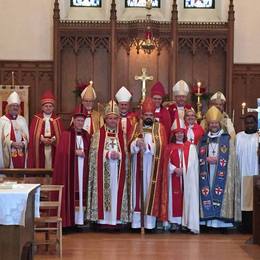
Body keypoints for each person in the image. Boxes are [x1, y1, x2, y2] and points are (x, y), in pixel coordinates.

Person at [86, 100, 131, 226]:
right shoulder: (98, 135)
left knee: (116, 193)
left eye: (115, 118)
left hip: (118, 170)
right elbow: (93, 155)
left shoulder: (124, 136)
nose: (112, 121)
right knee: (104, 192)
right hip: (104, 170)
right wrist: (108, 154)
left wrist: (120, 155)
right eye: (110, 118)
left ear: (118, 120)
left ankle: (117, 220)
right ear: (105, 119)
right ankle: (103, 220)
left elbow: (128, 154)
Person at [198, 106, 241, 229]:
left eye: (216, 123)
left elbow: (232, 158)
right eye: (211, 123)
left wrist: (219, 161)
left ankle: (221, 224)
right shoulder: (203, 140)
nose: (214, 125)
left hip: (222, 173)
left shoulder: (227, 139)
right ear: (208, 124)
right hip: (206, 171)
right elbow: (198, 156)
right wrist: (205, 159)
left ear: (220, 123)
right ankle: (207, 222)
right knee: (208, 191)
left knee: (218, 193)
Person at [130, 96, 167, 230]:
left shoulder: (160, 128)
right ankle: (137, 223)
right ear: (142, 114)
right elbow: (129, 145)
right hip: (137, 167)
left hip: (153, 167)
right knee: (137, 194)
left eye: (151, 114)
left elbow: (162, 146)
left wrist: (149, 148)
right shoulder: (136, 126)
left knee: (150, 194)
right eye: (146, 114)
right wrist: (136, 143)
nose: (148, 117)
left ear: (154, 115)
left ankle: (149, 224)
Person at [52, 106, 90, 227]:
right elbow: (61, 153)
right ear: (73, 120)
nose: (80, 123)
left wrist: (86, 152)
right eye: (78, 120)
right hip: (70, 170)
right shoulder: (66, 134)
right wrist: (74, 152)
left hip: (83, 168)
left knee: (81, 192)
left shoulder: (86, 135)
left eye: (82, 121)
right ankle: (69, 221)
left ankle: (80, 220)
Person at [162, 120, 200, 234]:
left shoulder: (190, 147)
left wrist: (184, 170)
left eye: (181, 132)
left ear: (185, 134)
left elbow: (193, 163)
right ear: (173, 134)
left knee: (186, 198)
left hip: (187, 178)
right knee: (173, 199)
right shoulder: (169, 147)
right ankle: (174, 222)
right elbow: (165, 162)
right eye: (177, 132)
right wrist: (174, 169)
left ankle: (186, 222)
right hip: (173, 177)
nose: (179, 134)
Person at [27, 90, 64, 169]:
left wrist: (53, 139)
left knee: (52, 164)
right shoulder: (36, 118)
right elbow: (32, 134)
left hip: (53, 147)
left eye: (50, 106)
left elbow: (61, 135)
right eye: (46, 106)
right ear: (42, 107)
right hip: (40, 147)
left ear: (53, 107)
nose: (48, 108)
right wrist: (41, 139)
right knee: (41, 164)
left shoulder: (57, 119)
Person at [236, 114, 259, 233]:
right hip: (242, 172)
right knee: (243, 200)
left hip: (256, 173)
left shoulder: (259, 136)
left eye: (252, 123)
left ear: (256, 123)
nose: (250, 125)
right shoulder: (239, 136)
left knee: (255, 200)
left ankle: (255, 227)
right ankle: (244, 226)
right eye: (247, 123)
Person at [0, 91, 29, 168]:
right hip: (8, 152)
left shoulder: (22, 120)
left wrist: (23, 143)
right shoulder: (2, 120)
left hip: (21, 152)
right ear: (8, 107)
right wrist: (11, 143)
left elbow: (27, 137)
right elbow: (1, 139)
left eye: (17, 106)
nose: (15, 107)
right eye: (13, 105)